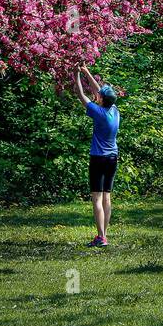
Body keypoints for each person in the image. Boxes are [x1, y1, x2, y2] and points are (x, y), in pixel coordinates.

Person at [72, 66, 120, 247]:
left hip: (98, 159)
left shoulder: (98, 113)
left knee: (97, 198)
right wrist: (85, 70)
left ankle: (101, 237)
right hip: (112, 158)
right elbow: (98, 91)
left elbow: (80, 94)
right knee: (107, 197)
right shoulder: (114, 110)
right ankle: (104, 234)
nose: (97, 94)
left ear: (101, 99)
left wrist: (76, 74)